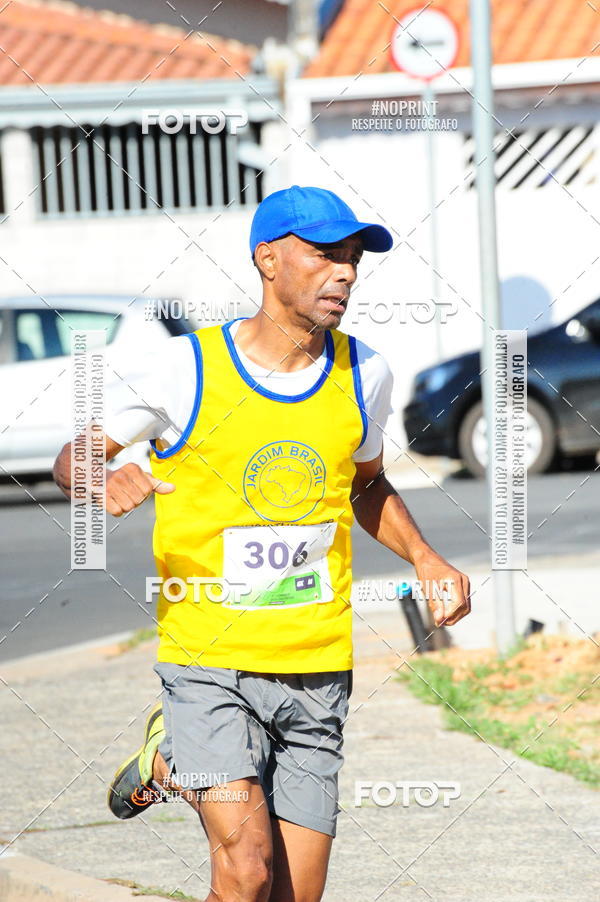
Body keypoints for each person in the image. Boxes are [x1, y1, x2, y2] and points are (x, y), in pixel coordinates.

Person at [54, 185, 471, 902]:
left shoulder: (363, 372)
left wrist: (427, 557)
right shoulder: (184, 369)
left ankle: (167, 765)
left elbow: (364, 485)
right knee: (245, 869)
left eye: (352, 259)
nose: (343, 272)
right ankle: (181, 751)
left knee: (290, 897)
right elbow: (73, 455)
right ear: (268, 259)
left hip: (316, 666)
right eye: (323, 254)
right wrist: (101, 477)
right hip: (208, 658)